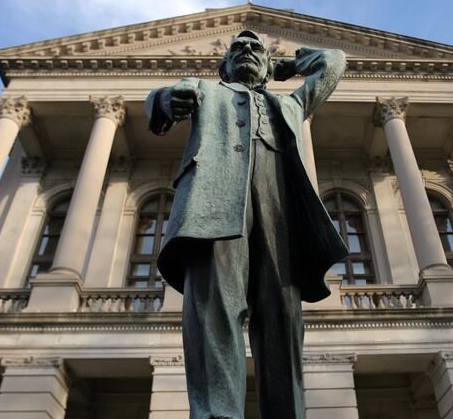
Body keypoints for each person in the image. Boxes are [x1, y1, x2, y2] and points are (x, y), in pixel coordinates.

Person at [146, 30, 347, 419]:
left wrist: (288, 65)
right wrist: (168, 100)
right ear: (222, 64)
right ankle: (217, 414)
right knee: (214, 311)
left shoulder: (290, 105)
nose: (248, 51)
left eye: (256, 48)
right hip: (214, 205)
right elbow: (158, 100)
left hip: (280, 206)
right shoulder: (204, 90)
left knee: (283, 320)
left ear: (268, 65)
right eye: (238, 47)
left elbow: (334, 61)